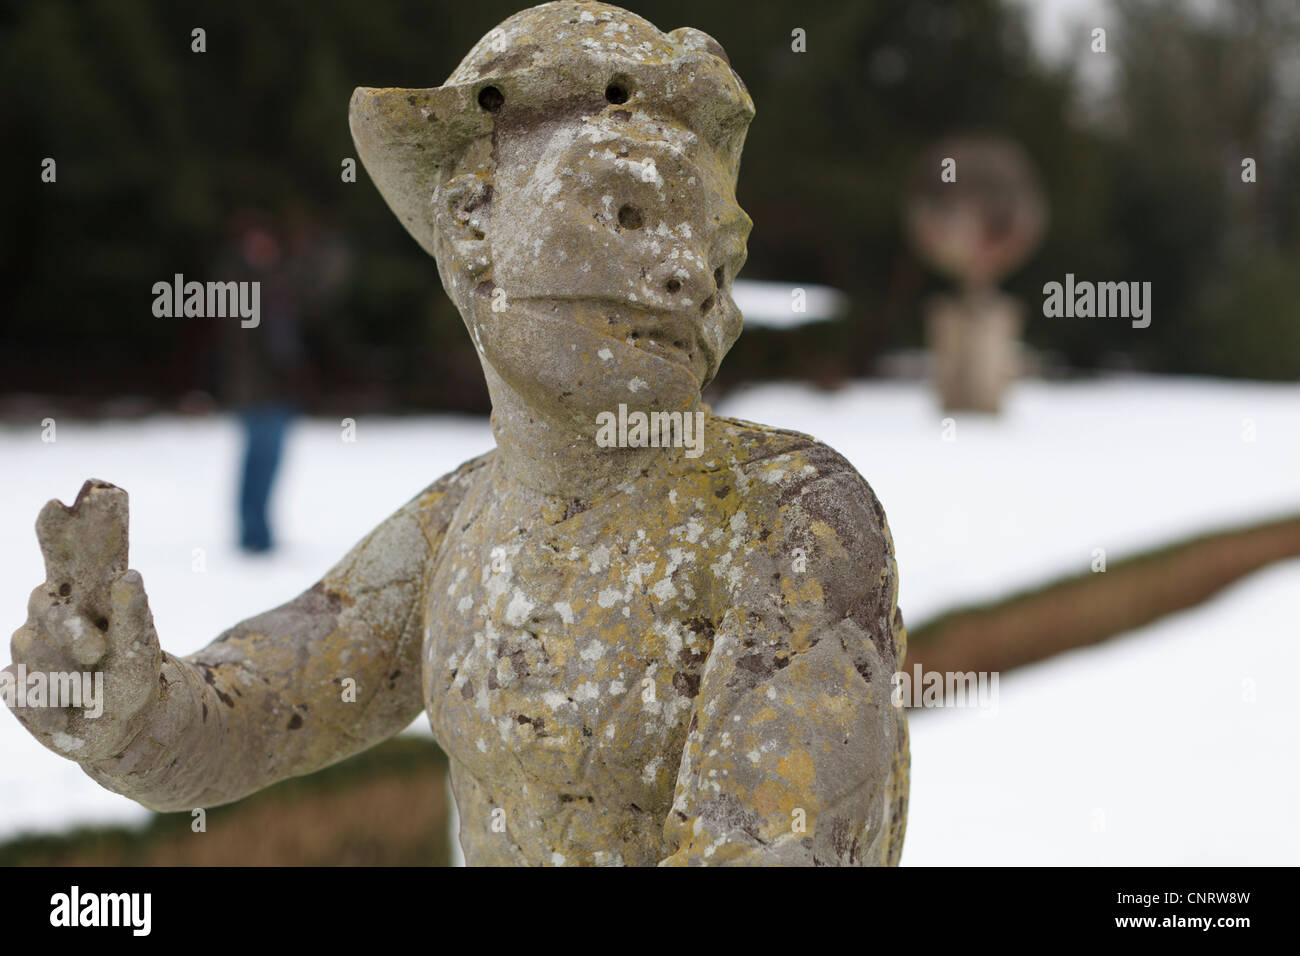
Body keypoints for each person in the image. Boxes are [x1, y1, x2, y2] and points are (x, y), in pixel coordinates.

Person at [6, 2, 908, 866]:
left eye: (719, 255)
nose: (688, 278)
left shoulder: (789, 518)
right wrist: (127, 712)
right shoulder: (461, 519)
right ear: (471, 224)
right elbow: (261, 704)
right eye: (626, 210)